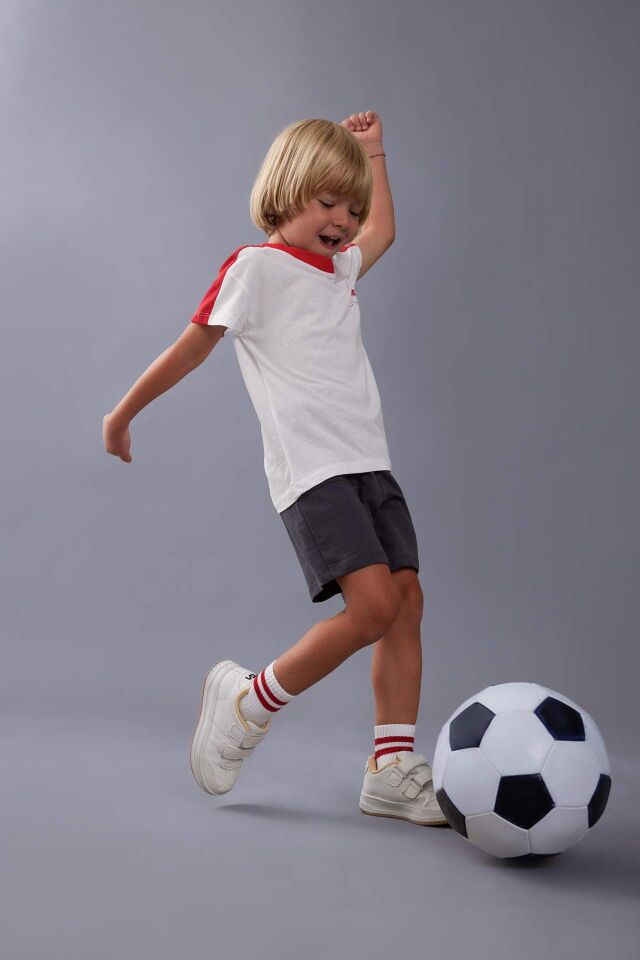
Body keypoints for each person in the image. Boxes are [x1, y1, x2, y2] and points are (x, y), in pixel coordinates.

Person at [103, 111, 448, 827]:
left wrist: (374, 155)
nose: (343, 221)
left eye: (350, 208)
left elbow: (384, 231)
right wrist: (123, 413)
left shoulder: (341, 269)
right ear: (286, 191)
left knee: (406, 600)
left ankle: (389, 768)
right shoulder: (254, 269)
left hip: (370, 463)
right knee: (372, 609)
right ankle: (248, 703)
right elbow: (192, 347)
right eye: (327, 202)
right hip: (315, 470)